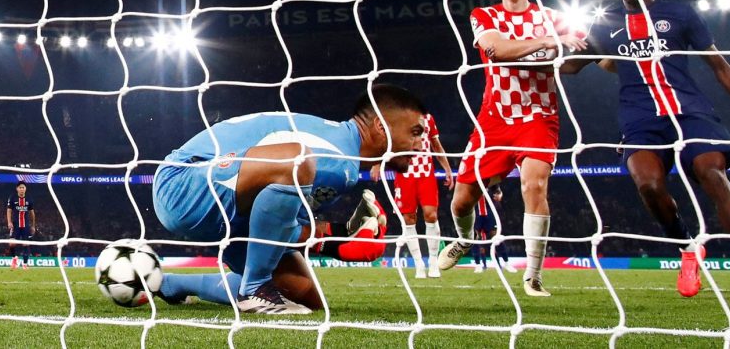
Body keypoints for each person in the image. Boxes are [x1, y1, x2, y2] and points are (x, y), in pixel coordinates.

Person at [561, 0, 730, 304]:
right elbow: (570, 68)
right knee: (647, 184)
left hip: (690, 112)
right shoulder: (606, 26)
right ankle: (686, 247)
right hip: (640, 120)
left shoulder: (679, 13)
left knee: (712, 174)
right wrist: (551, 42)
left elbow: (719, 66)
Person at [152, 84, 426, 314]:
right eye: (415, 132)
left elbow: (283, 222)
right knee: (298, 159)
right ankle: (255, 288)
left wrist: (342, 234)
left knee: (305, 298)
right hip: (183, 185)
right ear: (380, 126)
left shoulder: (341, 157)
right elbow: (288, 212)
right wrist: (333, 242)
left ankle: (171, 284)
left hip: (233, 203)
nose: (420, 144)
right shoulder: (337, 160)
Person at [438, 0, 587, 297]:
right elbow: (496, 51)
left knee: (534, 185)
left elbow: (576, 60)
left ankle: (533, 277)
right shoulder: (484, 15)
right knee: (461, 201)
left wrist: (567, 56)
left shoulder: (552, 16)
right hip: (495, 120)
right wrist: (550, 44)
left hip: (539, 116)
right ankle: (464, 238)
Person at [370, 112, 454, 278]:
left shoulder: (429, 118)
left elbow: (436, 144)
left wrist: (447, 168)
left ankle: (433, 262)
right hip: (404, 174)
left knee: (431, 215)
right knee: (408, 219)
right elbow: (387, 144)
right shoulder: (397, 120)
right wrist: (377, 163)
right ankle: (418, 265)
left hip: (426, 174)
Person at [472, 185, 516, 274]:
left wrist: (499, 194)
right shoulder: (472, 182)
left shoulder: (489, 182)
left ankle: (506, 263)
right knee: (476, 239)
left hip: (489, 214)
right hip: (477, 214)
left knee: (497, 238)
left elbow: (498, 192)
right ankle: (477, 265)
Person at [7, 181, 36, 270]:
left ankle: (25, 264)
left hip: (25, 226)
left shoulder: (29, 199)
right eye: (20, 187)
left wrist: (33, 225)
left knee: (25, 244)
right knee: (11, 243)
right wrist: (9, 222)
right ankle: (14, 258)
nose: (22, 189)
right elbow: (9, 210)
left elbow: (32, 213)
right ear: (17, 189)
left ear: (25, 189)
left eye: (23, 187)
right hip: (15, 225)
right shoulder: (12, 198)